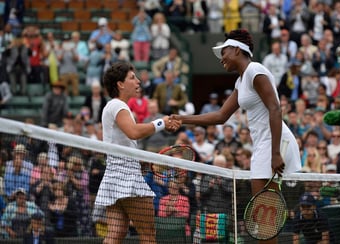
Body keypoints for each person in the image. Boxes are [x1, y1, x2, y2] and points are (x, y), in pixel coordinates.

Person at [171, 29, 301, 244]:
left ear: (238, 50)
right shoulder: (241, 82)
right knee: (264, 217)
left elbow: (275, 109)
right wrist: (183, 119)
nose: (221, 58)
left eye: (224, 52)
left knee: (264, 215)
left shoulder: (255, 71)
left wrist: (275, 152)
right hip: (265, 145)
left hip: (274, 144)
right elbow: (221, 116)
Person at [93, 61, 180, 244]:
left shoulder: (112, 106)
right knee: (148, 235)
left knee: (115, 234)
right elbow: (134, 131)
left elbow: (124, 142)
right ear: (120, 84)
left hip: (113, 177)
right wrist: (161, 122)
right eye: (132, 78)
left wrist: (139, 161)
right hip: (127, 178)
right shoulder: (118, 106)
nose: (138, 81)